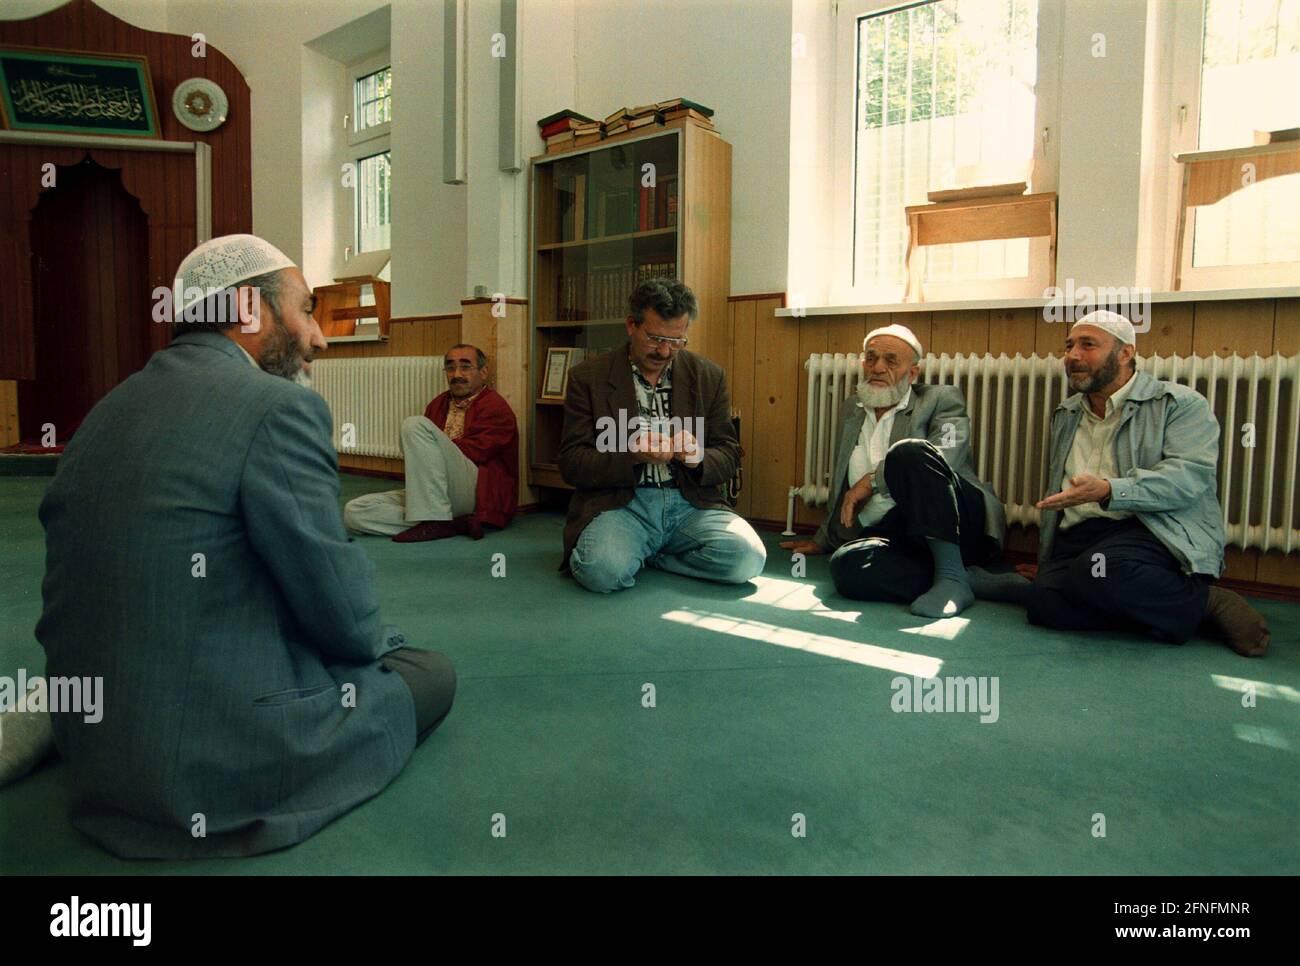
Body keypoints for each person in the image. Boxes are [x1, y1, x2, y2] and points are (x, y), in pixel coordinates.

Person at [35, 234, 456, 858]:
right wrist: (377, 644)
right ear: (246, 310)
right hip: (209, 771)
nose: (320, 338)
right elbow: (343, 616)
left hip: (94, 749)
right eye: (306, 309)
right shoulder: (278, 408)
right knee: (426, 673)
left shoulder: (107, 409)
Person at [967, 310, 1270, 656]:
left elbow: (1189, 478)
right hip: (1083, 536)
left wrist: (1112, 490)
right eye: (1069, 346)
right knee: (1045, 605)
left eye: (1087, 345)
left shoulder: (1180, 404)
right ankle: (1167, 608)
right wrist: (1050, 559)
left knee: (1098, 570)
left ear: (1125, 353)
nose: (1073, 356)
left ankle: (1209, 602)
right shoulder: (1067, 413)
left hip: (1149, 528)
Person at [781, 324, 1006, 617]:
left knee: (909, 452)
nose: (877, 368)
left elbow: (945, 457)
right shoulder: (853, 408)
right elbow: (842, 484)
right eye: (871, 359)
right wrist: (824, 539)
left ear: (912, 373)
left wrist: (873, 480)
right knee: (846, 568)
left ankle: (951, 574)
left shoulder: (942, 400)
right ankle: (970, 580)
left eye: (890, 361)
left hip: (958, 521)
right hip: (898, 533)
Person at [558, 278, 767, 592]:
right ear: (631, 325)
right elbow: (572, 463)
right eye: (655, 338)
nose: (665, 351)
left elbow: (728, 451)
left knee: (748, 558)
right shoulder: (588, 378)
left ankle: (652, 557)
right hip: (621, 503)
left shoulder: (708, 376)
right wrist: (632, 454)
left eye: (677, 341)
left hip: (690, 503)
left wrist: (699, 458)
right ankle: (640, 550)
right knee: (600, 572)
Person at [343, 343, 519, 542]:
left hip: (477, 491)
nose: (456, 374)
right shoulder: (438, 404)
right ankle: (450, 522)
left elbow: (475, 452)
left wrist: (432, 448)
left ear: (483, 372)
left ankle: (438, 518)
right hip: (438, 491)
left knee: (414, 424)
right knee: (354, 512)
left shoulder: (495, 406)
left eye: (465, 366)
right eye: (450, 368)